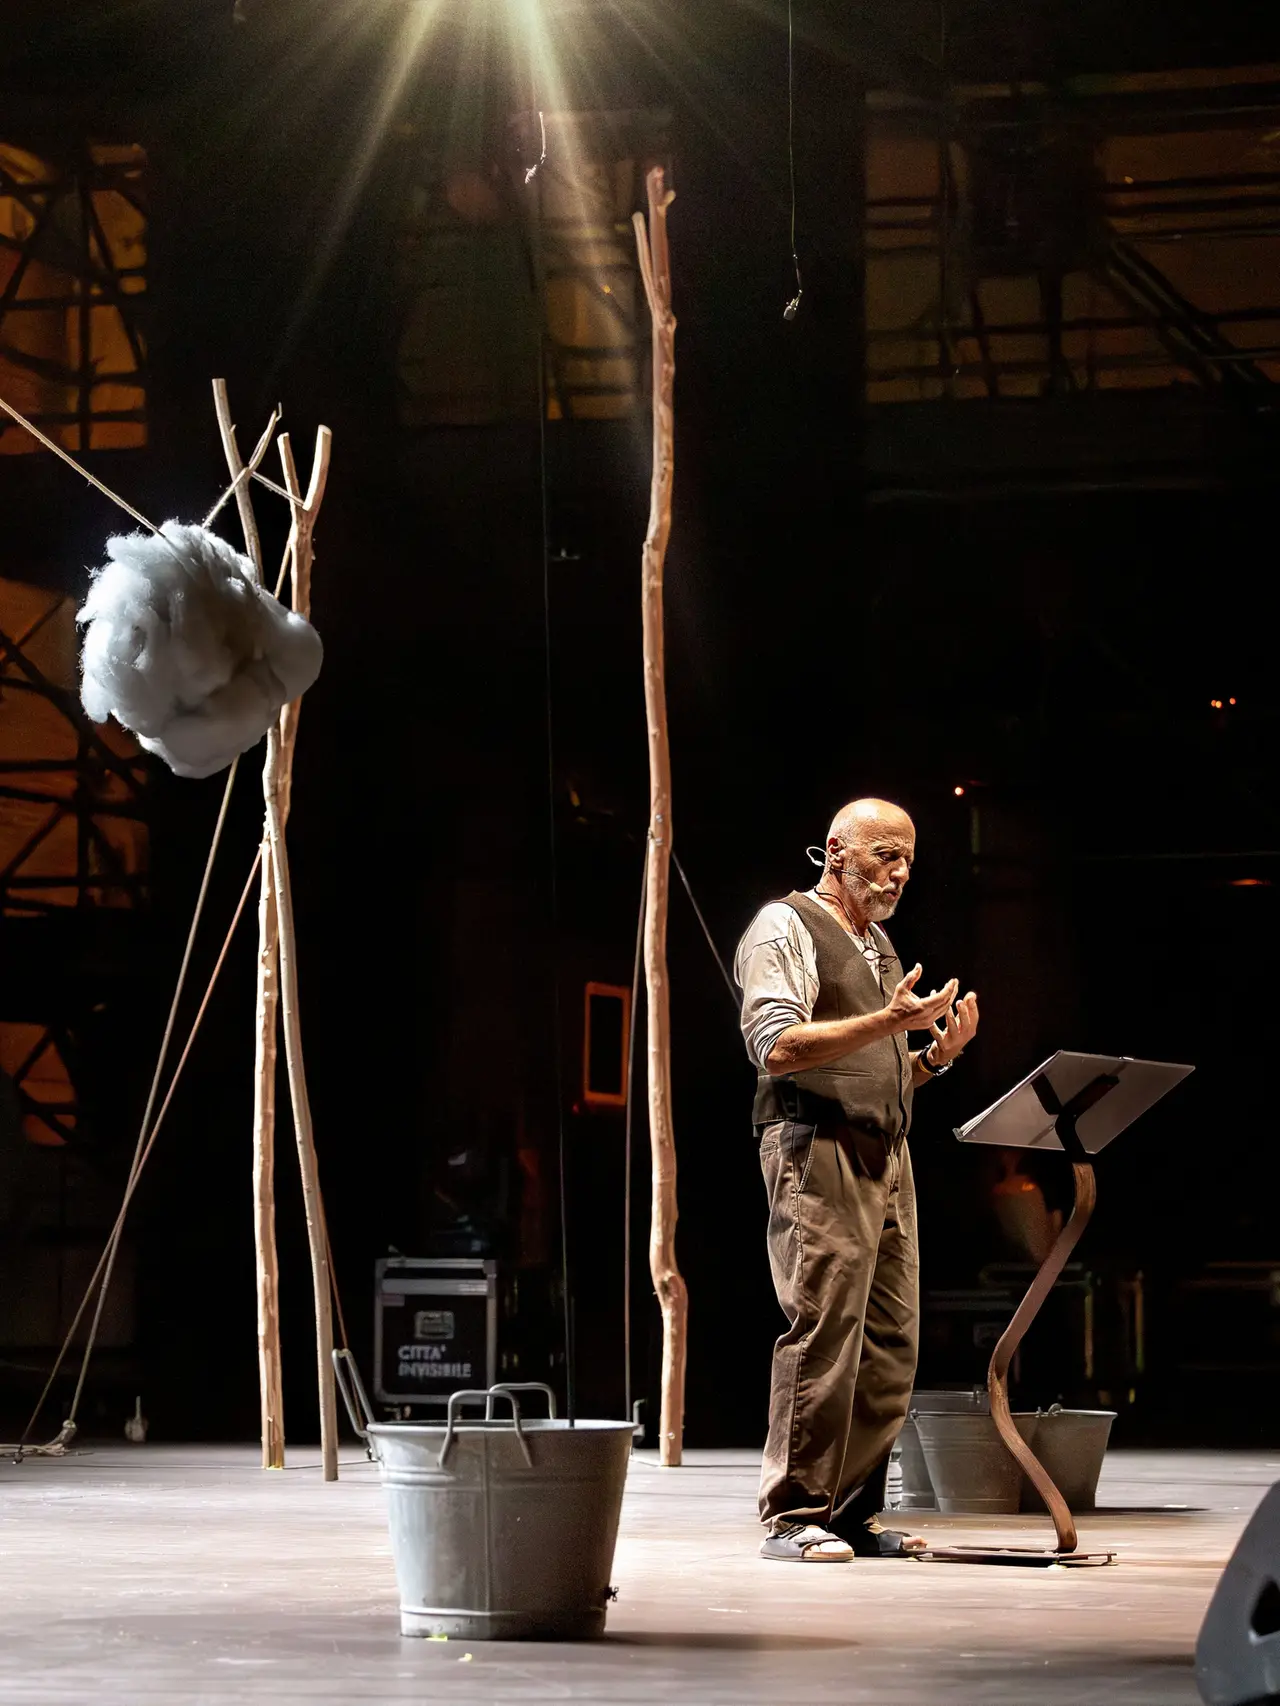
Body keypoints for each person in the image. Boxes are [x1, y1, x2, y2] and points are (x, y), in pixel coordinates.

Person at [735, 798, 979, 1562]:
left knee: (891, 1342)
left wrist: (936, 1056)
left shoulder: (876, 947)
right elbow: (775, 1045)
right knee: (824, 1328)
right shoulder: (786, 925)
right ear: (836, 850)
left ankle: (849, 1513)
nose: (899, 872)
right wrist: (889, 1023)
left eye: (908, 859)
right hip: (818, 1144)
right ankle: (792, 1514)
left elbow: (875, 1069)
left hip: (887, 1149)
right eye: (884, 855)